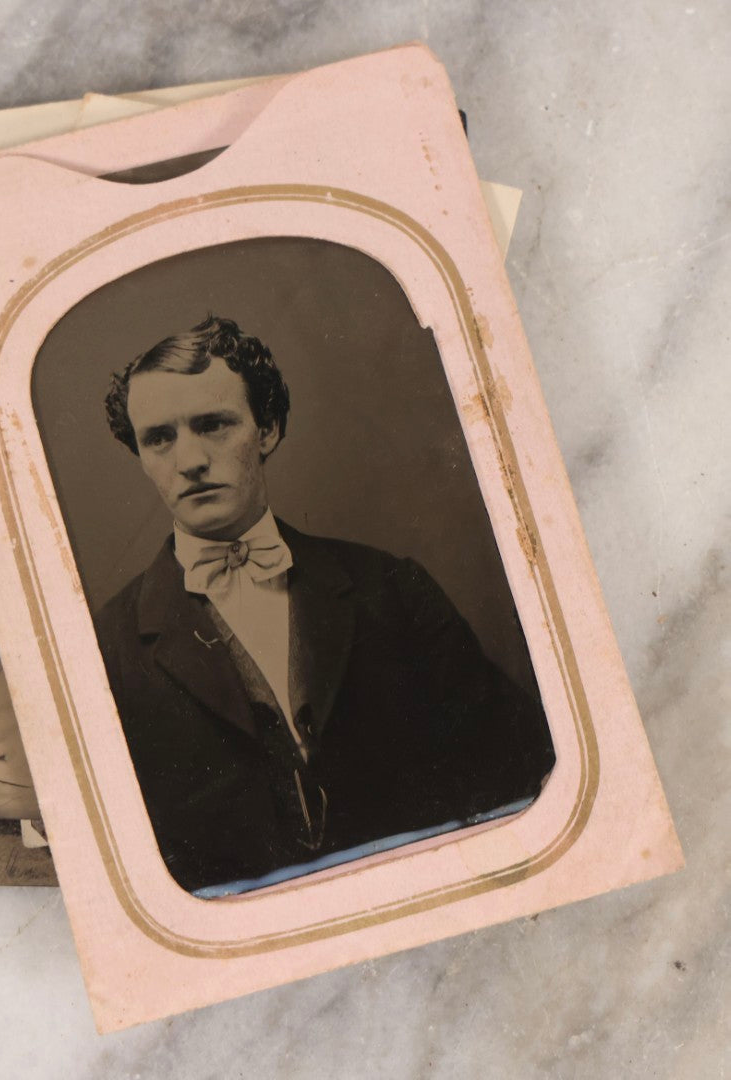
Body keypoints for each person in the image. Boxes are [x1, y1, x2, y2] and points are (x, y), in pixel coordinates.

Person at [97, 314, 555, 894]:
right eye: (159, 438)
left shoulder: (391, 589)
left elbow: (520, 768)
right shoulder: (104, 647)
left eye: (213, 425)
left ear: (267, 430)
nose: (188, 460)